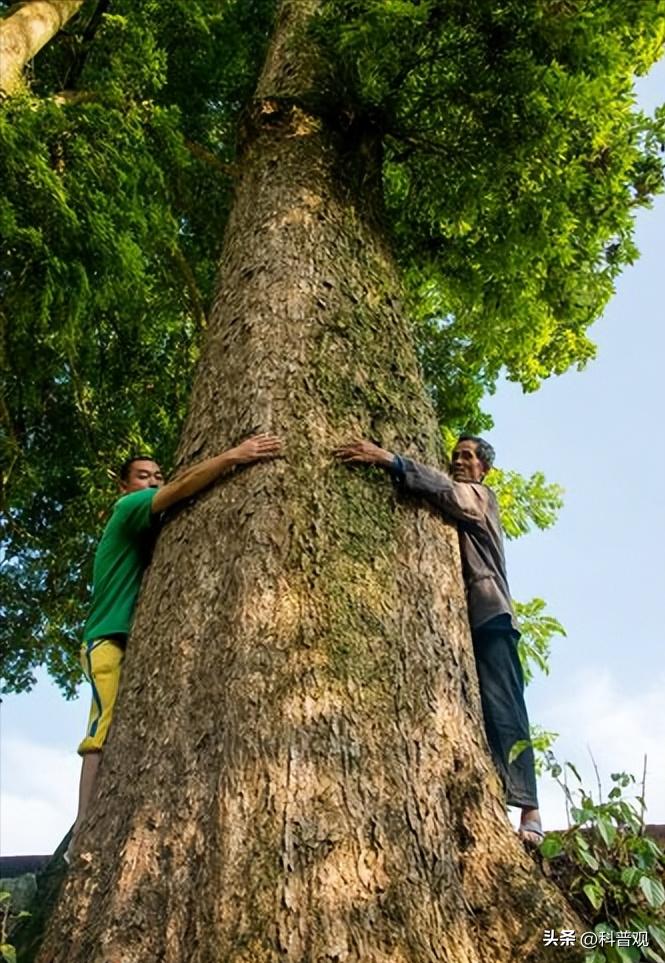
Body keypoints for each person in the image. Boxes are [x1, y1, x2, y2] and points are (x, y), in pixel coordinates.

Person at [67, 433, 282, 861]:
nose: (151, 482)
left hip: (128, 642)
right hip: (105, 641)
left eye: (156, 475)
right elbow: (181, 488)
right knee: (101, 731)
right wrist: (234, 454)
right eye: (143, 476)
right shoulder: (128, 508)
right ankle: (81, 832)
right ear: (124, 486)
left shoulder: (146, 528)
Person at [334, 434, 543, 845]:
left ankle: (530, 809)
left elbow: (451, 494)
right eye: (456, 456)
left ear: (485, 468)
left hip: (491, 614)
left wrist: (390, 460)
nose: (460, 461)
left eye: (468, 457)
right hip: (467, 623)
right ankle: (493, 804)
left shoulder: (481, 496)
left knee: (505, 711)